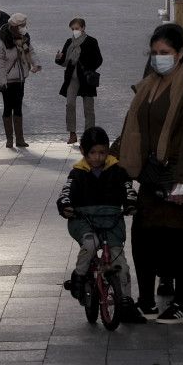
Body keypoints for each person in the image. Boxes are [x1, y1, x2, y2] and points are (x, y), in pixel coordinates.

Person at [116, 24, 183, 324]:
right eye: (155, 53)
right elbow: (134, 127)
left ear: (180, 53)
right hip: (153, 171)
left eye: (165, 53)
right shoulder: (150, 84)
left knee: (180, 237)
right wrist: (111, 158)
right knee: (143, 235)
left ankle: (181, 303)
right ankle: (146, 301)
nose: (158, 58)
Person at [57, 127, 146, 325]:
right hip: (83, 219)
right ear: (83, 152)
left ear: (108, 151)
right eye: (92, 153)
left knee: (120, 263)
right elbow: (66, 193)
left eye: (103, 152)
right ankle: (79, 275)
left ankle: (126, 301)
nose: (98, 157)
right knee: (89, 243)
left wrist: (131, 205)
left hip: (111, 220)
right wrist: (65, 206)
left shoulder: (117, 171)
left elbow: (128, 191)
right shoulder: (77, 173)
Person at [0, 13, 42, 148]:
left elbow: (31, 52)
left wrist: (36, 64)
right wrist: (2, 81)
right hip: (7, 81)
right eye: (23, 26)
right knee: (8, 107)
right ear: (16, 27)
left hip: (20, 79)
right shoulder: (2, 43)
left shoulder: (24, 39)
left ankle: (20, 139)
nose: (25, 28)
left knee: (18, 107)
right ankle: (9, 139)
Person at [56, 18, 103, 145]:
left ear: (83, 28)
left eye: (77, 28)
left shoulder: (91, 41)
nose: (75, 31)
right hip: (72, 78)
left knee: (88, 108)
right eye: (73, 29)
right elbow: (64, 61)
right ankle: (72, 133)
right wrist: (59, 58)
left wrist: (89, 69)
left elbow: (99, 59)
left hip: (87, 79)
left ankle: (89, 135)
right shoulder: (69, 42)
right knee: (70, 104)